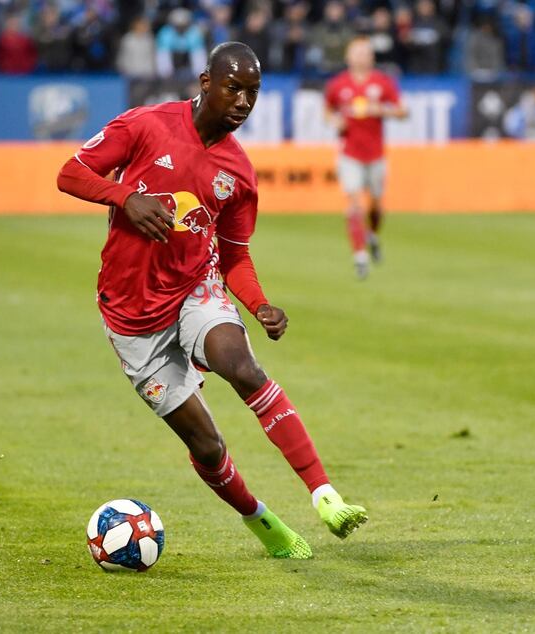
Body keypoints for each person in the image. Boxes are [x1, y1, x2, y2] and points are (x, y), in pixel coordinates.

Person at [57, 42, 368, 560]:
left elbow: (236, 258)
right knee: (207, 446)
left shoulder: (239, 176)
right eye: (234, 87)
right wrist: (124, 197)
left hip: (193, 289)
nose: (243, 101)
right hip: (132, 317)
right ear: (206, 83)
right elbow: (69, 173)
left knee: (240, 364)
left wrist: (259, 303)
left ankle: (324, 494)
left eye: (253, 92)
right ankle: (261, 520)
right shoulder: (146, 125)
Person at [324, 37, 407, 279]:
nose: (361, 57)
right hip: (350, 154)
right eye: (356, 52)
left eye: (365, 53)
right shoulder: (338, 85)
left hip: (375, 155)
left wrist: (380, 109)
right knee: (354, 204)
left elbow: (402, 111)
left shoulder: (382, 83)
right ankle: (359, 257)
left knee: (376, 206)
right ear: (348, 57)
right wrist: (334, 121)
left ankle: (373, 235)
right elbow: (328, 110)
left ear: (371, 57)